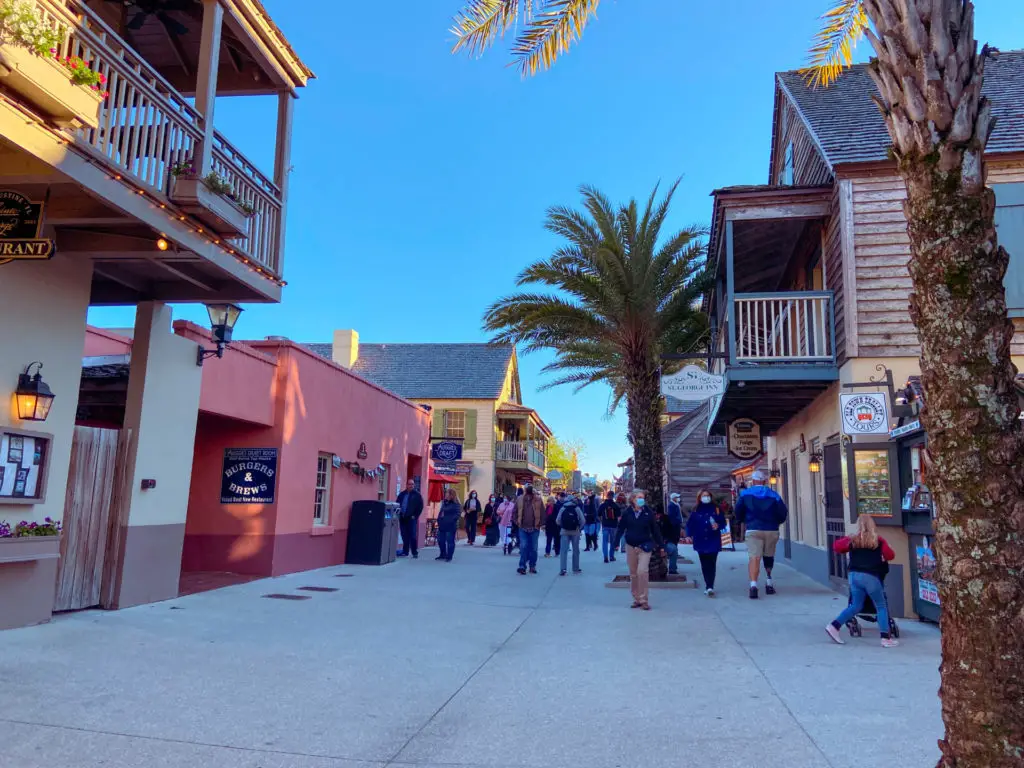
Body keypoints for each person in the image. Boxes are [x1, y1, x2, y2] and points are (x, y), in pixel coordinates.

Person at [826, 515, 899, 647]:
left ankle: (834, 626)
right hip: (870, 576)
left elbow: (837, 547)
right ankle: (885, 638)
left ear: (859, 525)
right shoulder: (879, 540)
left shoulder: (853, 539)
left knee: (856, 605)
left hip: (854, 575)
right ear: (872, 525)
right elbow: (890, 555)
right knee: (881, 606)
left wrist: (850, 539)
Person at [734, 470, 788, 599]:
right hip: (771, 529)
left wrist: (744, 520)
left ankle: (753, 585)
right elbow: (782, 512)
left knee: (754, 557)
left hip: (753, 529)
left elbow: (738, 511)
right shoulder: (774, 495)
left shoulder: (745, 494)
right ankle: (769, 581)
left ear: (752, 481)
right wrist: (776, 522)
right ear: (764, 481)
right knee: (769, 556)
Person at [613, 489, 664, 610]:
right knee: (634, 574)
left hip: (645, 546)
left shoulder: (648, 512)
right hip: (631, 546)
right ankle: (636, 599)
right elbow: (620, 528)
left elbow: (655, 530)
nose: (641, 500)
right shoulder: (627, 513)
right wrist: (615, 543)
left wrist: (662, 545)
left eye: (643, 497)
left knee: (642, 572)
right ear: (633, 499)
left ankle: (644, 599)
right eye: (639, 497)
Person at [686, 489, 726, 597]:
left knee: (712, 563)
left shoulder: (717, 509)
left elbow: (723, 522)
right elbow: (690, 524)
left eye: (708, 495)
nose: (706, 497)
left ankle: (710, 586)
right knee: (704, 564)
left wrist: (718, 525)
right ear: (699, 497)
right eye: (703, 496)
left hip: (713, 539)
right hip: (700, 540)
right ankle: (707, 585)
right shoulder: (696, 510)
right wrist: (688, 535)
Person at [514, 483, 545, 574]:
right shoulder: (519, 499)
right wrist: (516, 521)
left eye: (530, 493)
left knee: (533, 548)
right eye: (527, 493)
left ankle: (532, 566)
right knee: (523, 546)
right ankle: (522, 566)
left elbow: (543, 513)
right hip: (523, 527)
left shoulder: (538, 500)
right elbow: (514, 512)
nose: (528, 496)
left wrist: (542, 524)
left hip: (534, 528)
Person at [556, 492, 584, 575]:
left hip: (564, 531)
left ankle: (563, 569)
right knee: (576, 550)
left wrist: (562, 525)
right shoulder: (577, 508)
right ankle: (575, 568)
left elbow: (557, 520)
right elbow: (583, 520)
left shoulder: (563, 508)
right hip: (575, 531)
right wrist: (579, 528)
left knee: (563, 551)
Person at [396, 479, 425, 559]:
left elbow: (420, 506)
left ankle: (414, 552)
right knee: (404, 535)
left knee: (412, 535)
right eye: (409, 484)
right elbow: (397, 504)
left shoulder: (417, 495)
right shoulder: (402, 494)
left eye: (412, 484)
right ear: (406, 485)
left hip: (411, 518)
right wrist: (398, 514)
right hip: (402, 517)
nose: (411, 485)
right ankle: (405, 551)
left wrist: (415, 516)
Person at [436, 488, 461, 561]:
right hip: (442, 525)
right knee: (440, 540)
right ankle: (442, 554)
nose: (445, 494)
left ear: (451, 495)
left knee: (450, 542)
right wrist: (439, 520)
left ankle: (449, 556)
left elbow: (457, 514)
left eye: (446, 493)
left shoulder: (456, 504)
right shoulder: (444, 503)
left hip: (450, 526)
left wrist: (450, 521)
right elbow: (441, 512)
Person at [664, 493, 684, 575]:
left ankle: (675, 551)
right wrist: (675, 523)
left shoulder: (676, 504)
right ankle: (672, 567)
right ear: (673, 498)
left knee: (676, 540)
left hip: (677, 525)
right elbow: (671, 516)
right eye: (677, 497)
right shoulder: (671, 505)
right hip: (674, 526)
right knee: (674, 540)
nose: (678, 498)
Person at [598, 491, 620, 563]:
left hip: (605, 525)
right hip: (613, 526)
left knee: (605, 542)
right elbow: (619, 517)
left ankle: (605, 557)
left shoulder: (603, 505)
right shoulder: (616, 505)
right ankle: (611, 556)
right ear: (613, 496)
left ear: (607, 496)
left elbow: (598, 515)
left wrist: (602, 521)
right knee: (612, 542)